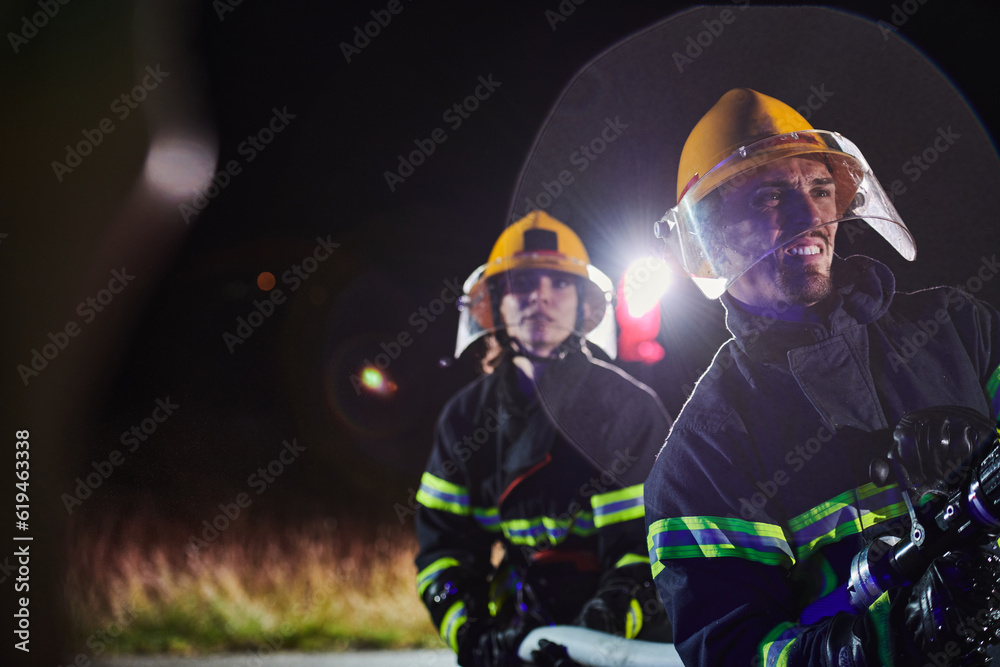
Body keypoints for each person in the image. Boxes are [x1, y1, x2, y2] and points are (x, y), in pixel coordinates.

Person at [645, 88, 1000, 666]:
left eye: (820, 188)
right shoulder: (701, 456)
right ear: (708, 235)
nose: (811, 217)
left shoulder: (960, 331)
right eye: (770, 197)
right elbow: (734, 652)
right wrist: (893, 639)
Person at [415, 210, 673, 666]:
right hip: (520, 631)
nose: (541, 298)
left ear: (585, 305)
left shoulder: (630, 410)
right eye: (522, 284)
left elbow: (649, 549)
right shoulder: (464, 418)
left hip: (626, 643)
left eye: (559, 284)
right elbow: (442, 553)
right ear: (494, 304)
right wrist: (474, 634)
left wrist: (603, 628)